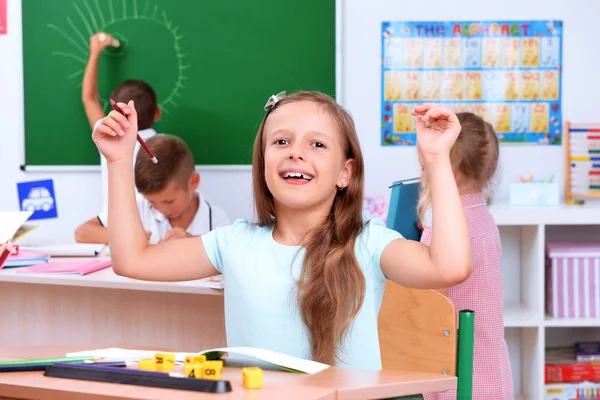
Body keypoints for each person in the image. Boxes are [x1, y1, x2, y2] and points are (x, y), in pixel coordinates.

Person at [91, 91, 472, 368]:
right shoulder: (235, 242)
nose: (296, 152)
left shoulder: (369, 244)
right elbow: (131, 260)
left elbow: (449, 267)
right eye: (281, 141)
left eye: (318, 144)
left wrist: (437, 161)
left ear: (345, 173)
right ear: (263, 162)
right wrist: (120, 160)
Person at [417, 112, 514, 399]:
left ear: (450, 172)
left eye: (424, 169)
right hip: (491, 369)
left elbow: (429, 307)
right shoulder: (483, 218)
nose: (422, 177)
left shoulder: (441, 232)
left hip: (458, 377)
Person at [75, 134, 230, 244]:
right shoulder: (139, 207)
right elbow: (82, 232)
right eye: (152, 202)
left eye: (169, 201)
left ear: (193, 182)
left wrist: (194, 245)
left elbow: (228, 263)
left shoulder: (216, 221)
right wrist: (127, 236)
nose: (161, 209)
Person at [82, 31, 161, 211]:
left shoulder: (108, 137)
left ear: (115, 113)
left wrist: (95, 52)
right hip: (155, 230)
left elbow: (89, 98)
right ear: (157, 113)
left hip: (113, 229)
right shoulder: (166, 146)